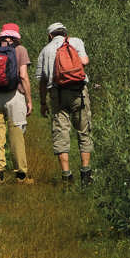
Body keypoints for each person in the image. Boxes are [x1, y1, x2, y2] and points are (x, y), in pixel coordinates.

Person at [36, 22, 93, 185]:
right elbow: (85, 61)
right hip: (78, 92)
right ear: (65, 33)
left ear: (50, 36)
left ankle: (66, 176)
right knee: (84, 130)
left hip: (57, 95)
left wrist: (42, 102)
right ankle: (86, 175)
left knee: (61, 133)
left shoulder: (45, 51)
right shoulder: (76, 42)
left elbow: (41, 81)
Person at [0, 22, 34, 184]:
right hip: (14, 97)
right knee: (16, 136)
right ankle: (21, 176)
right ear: (16, 36)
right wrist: (29, 100)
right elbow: (24, 76)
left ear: (2, 35)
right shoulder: (21, 50)